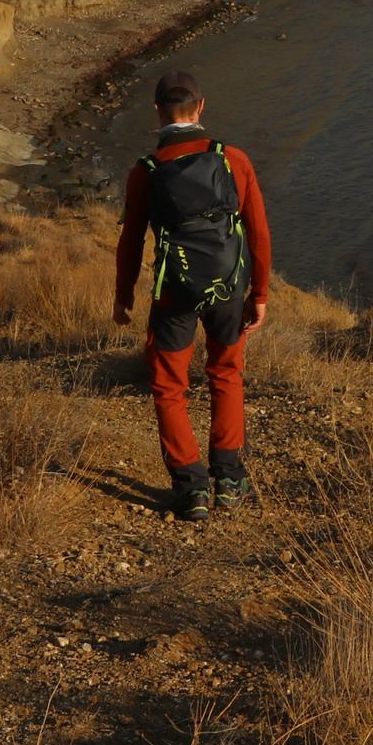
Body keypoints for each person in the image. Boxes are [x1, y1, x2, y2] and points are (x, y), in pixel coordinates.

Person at [113, 68, 271, 521]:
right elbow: (258, 233)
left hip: (173, 296)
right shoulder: (233, 159)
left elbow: (132, 241)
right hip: (227, 289)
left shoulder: (145, 171)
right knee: (226, 374)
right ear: (201, 108)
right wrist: (258, 292)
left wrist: (123, 296)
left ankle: (191, 491)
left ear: (158, 112)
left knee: (169, 387)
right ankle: (230, 480)